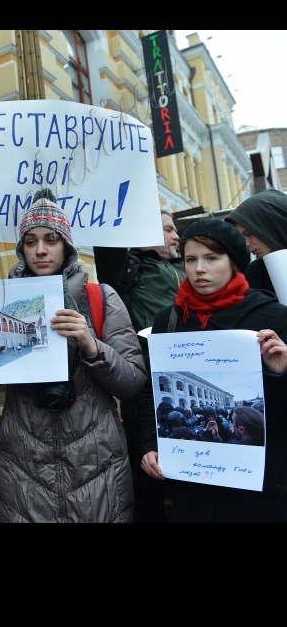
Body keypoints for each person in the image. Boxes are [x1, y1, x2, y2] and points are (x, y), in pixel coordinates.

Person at [0, 189, 147, 522]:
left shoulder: (100, 297)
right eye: (30, 242)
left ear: (67, 246)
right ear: (21, 248)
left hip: (95, 464)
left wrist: (92, 345)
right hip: (25, 466)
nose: (40, 250)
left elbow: (132, 382)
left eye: (51, 239)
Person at [139, 219, 287, 523]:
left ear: (234, 262)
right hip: (193, 488)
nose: (199, 269)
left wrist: (279, 374)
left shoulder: (272, 315)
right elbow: (147, 393)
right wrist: (150, 446)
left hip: (258, 488)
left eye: (211, 258)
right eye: (190, 259)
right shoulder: (168, 319)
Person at [94, 210, 184, 522]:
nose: (176, 236)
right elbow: (107, 245)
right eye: (168, 229)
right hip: (144, 381)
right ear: (147, 234)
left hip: (184, 374)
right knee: (145, 468)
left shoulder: (185, 268)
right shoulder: (129, 268)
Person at [226, 189, 287, 293]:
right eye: (241, 237)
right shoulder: (253, 275)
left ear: (273, 226)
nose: (246, 243)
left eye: (249, 233)